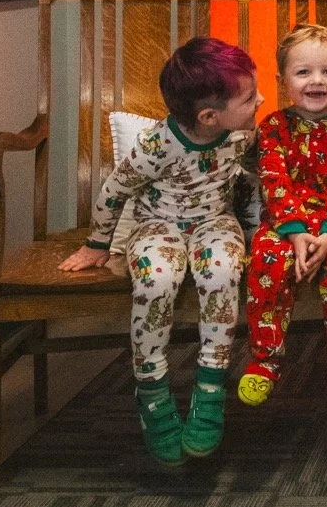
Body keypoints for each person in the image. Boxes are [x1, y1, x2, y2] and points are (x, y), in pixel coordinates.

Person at [59, 36, 261, 466]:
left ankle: (210, 387)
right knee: (157, 280)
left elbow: (266, 170)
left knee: (223, 270)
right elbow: (115, 190)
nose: (260, 100)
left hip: (215, 223)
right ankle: (152, 389)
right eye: (249, 97)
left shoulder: (241, 134)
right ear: (209, 116)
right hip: (158, 226)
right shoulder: (157, 146)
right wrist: (98, 244)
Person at [237, 24, 327, 405]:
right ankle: (265, 359)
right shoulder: (273, 128)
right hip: (285, 226)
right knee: (267, 256)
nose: (317, 81)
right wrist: (297, 233)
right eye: (304, 72)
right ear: (283, 81)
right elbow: (274, 182)